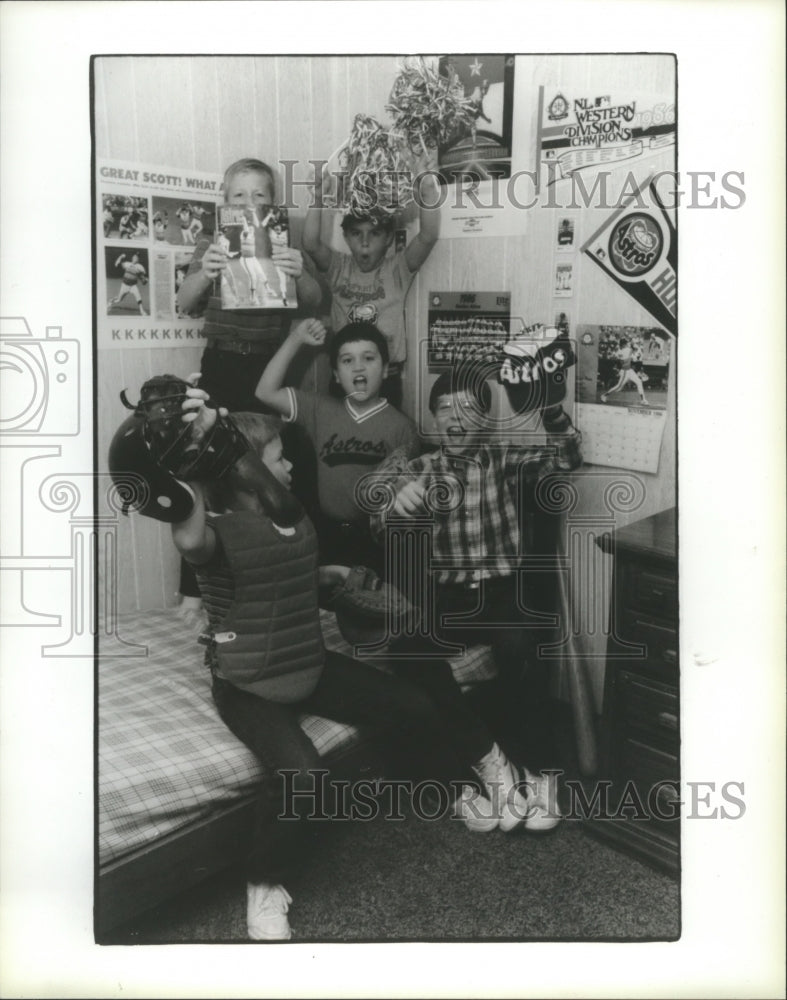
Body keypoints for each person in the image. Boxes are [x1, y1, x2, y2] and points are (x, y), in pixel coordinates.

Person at [168, 389, 518, 940]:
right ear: (244, 470)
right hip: (250, 684)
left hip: (309, 662)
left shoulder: (292, 519)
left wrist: (338, 582)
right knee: (302, 775)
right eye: (279, 458)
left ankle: (448, 787)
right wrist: (191, 449)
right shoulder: (213, 529)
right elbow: (188, 533)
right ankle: (263, 883)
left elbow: (295, 575)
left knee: (414, 705)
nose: (288, 466)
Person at [368, 369, 583, 817]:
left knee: (522, 647)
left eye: (469, 409)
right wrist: (394, 497)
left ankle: (538, 770)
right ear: (433, 420)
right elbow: (377, 509)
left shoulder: (502, 457)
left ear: (484, 419)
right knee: (405, 649)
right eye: (446, 409)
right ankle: (489, 758)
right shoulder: (422, 469)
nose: (457, 419)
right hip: (450, 601)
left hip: (503, 592)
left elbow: (564, 458)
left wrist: (550, 408)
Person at [174, 157, 323, 612]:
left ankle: (284, 578)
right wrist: (208, 270)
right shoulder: (210, 240)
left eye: (259, 195)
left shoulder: (285, 239)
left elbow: (318, 302)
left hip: (268, 370)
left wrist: (302, 273)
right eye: (239, 195)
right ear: (225, 201)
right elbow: (184, 301)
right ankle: (193, 592)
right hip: (221, 363)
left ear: (273, 202)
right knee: (206, 469)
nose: (249, 202)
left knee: (273, 467)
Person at [256, 317, 420, 573]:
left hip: (377, 540)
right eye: (347, 360)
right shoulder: (320, 408)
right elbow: (265, 392)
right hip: (328, 533)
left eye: (368, 358)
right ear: (335, 374)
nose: (358, 368)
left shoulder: (402, 427)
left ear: (386, 369)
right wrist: (296, 338)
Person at [302, 151, 440, 409]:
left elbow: (428, 235)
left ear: (389, 237)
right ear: (345, 236)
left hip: (386, 375)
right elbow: (310, 243)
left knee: (385, 444)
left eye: (374, 233)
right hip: (343, 373)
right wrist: (317, 198)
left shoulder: (397, 269)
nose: (365, 242)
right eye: (356, 233)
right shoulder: (338, 267)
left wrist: (428, 189)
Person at [601, 337, 649, 405]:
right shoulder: (625, 350)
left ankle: (643, 400)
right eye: (626, 343)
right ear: (623, 344)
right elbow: (634, 349)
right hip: (625, 371)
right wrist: (633, 344)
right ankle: (605, 395)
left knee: (639, 382)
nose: (627, 344)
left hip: (629, 370)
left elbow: (631, 353)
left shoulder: (619, 351)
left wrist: (632, 349)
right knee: (618, 387)